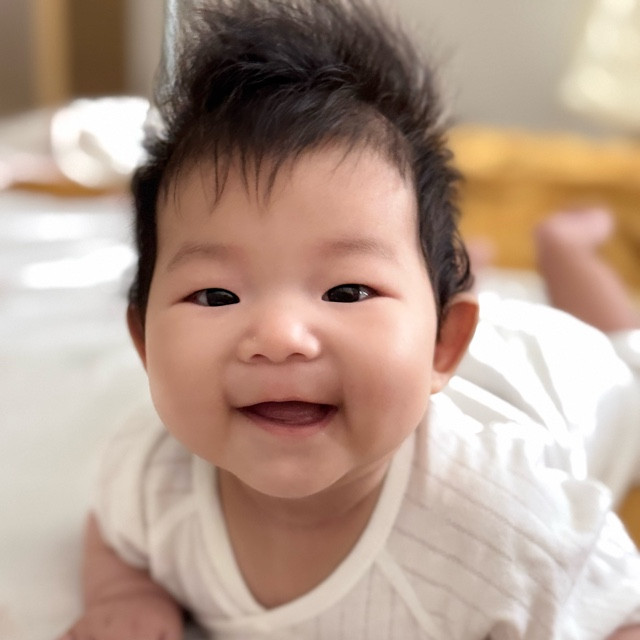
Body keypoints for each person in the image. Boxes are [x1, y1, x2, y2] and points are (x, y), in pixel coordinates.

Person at [59, 1, 640, 638]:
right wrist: (125, 591)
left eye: (347, 290)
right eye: (217, 296)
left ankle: (565, 249)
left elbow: (622, 614)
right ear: (144, 343)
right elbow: (111, 529)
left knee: (626, 348)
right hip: (421, 326)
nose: (279, 337)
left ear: (444, 345)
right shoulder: (151, 474)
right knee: (421, 271)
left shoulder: (509, 527)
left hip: (552, 376)